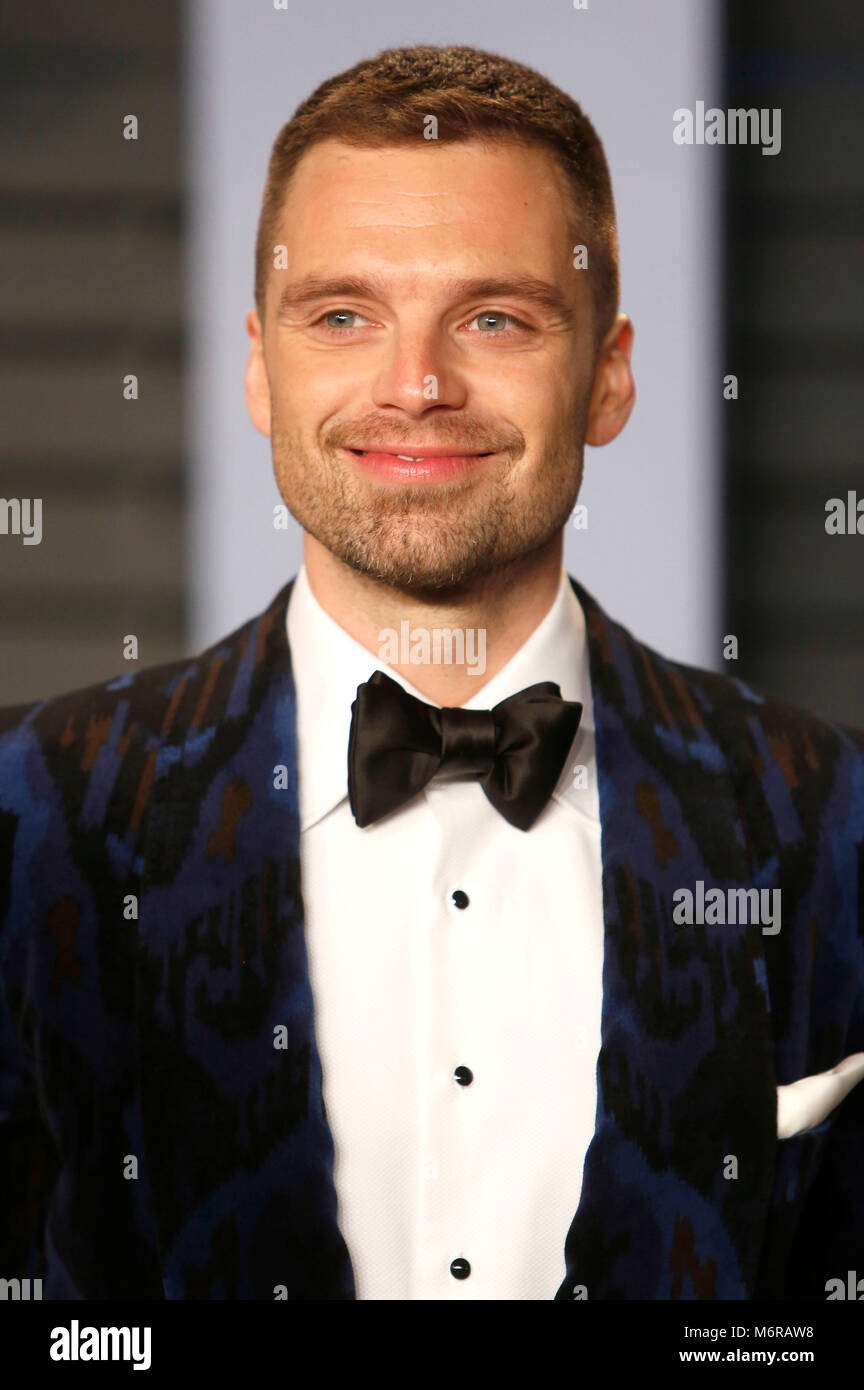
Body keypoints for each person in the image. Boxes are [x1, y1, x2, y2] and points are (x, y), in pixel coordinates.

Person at [1, 44, 862, 1302]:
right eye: (344, 314)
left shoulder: (834, 824)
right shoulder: (27, 818)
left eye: (495, 317)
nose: (418, 387)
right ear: (260, 366)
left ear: (608, 375)